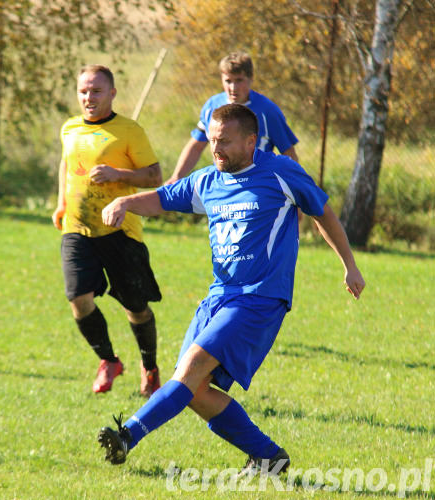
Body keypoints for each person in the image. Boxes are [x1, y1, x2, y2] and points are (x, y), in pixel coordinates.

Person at [97, 104, 365, 475]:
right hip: (218, 296)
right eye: (211, 140)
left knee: (189, 372)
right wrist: (125, 201)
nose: (215, 149)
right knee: (194, 390)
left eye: (224, 141)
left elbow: (322, 212)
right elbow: (162, 198)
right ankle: (269, 457)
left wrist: (349, 265)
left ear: (251, 141)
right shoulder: (208, 181)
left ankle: (127, 435)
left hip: (261, 297)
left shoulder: (280, 172)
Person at [51, 64, 164, 397]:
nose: (89, 97)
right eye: (84, 91)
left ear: (112, 94)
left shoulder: (129, 131)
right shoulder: (70, 128)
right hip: (77, 228)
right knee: (78, 299)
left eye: (96, 91)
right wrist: (60, 203)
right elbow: (66, 164)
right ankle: (108, 361)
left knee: (136, 307)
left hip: (120, 232)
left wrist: (118, 174)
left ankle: (150, 366)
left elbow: (155, 176)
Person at [165, 52, 298, 184]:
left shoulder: (267, 111)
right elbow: (196, 146)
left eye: (239, 80)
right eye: (228, 81)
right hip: (224, 184)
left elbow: (288, 152)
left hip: (259, 184)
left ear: (251, 78)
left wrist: (296, 187)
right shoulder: (212, 106)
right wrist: (177, 177)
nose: (233, 87)